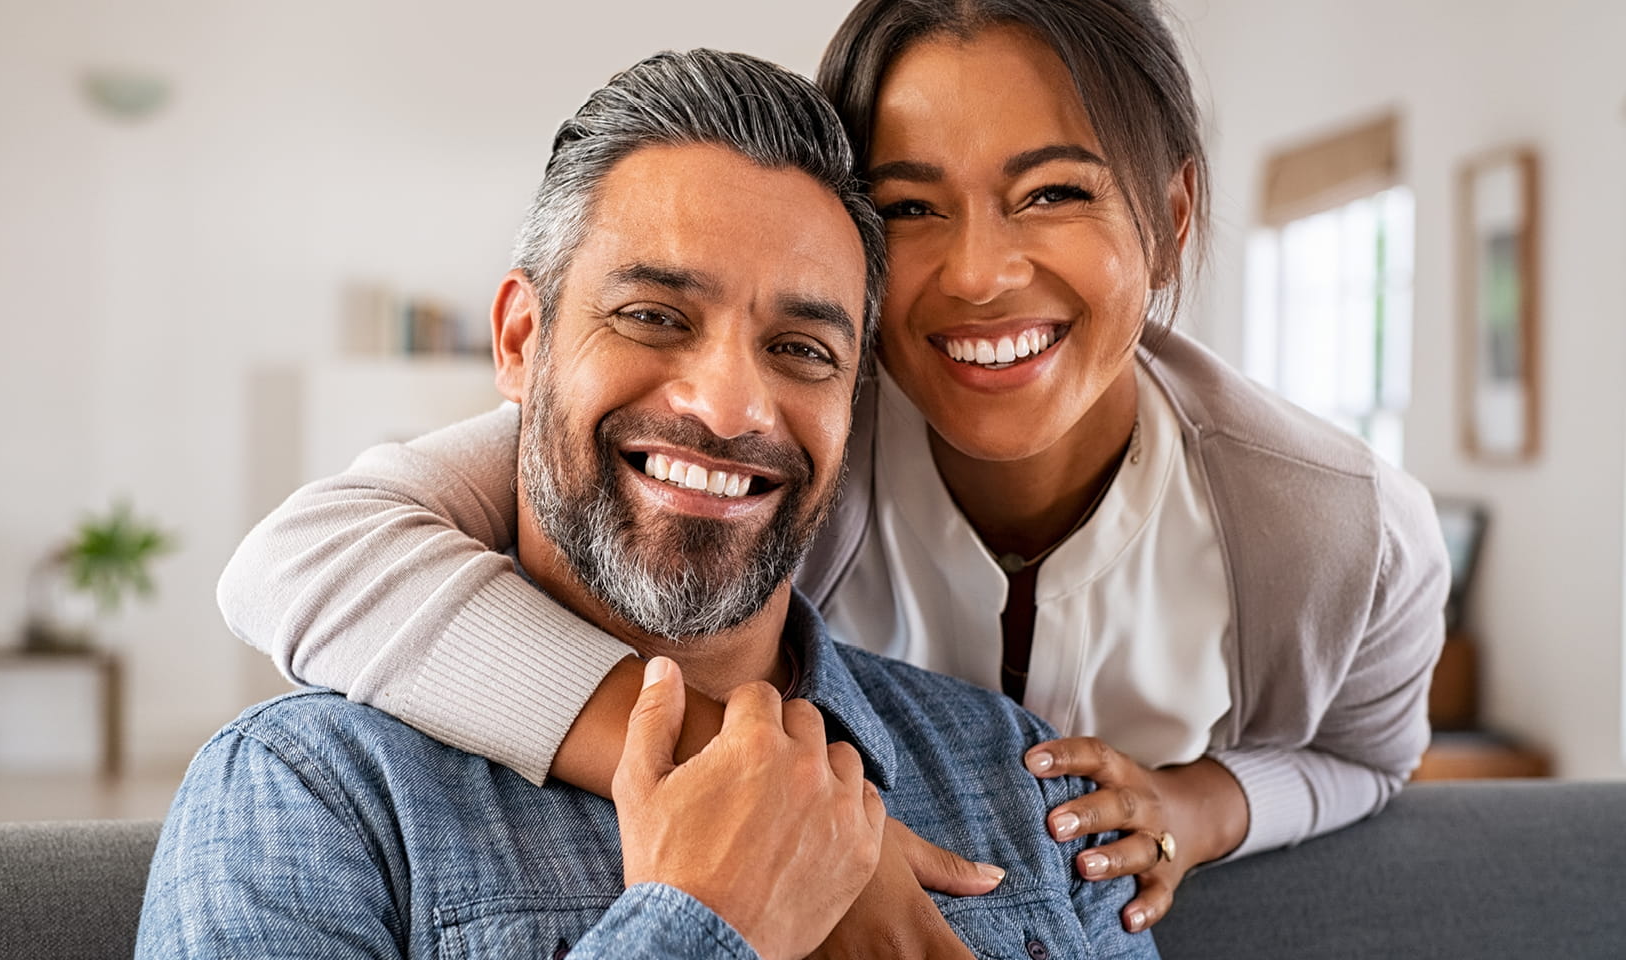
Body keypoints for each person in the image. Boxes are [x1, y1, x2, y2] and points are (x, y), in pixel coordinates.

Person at [218, 0, 1449, 935]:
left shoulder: (1330, 527)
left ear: (1172, 217)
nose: (977, 274)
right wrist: (762, 800)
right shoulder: (783, 425)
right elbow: (304, 558)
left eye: (1054, 192)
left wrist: (1202, 807)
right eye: (911, 209)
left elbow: (1367, 757)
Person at [139, 48, 1151, 960]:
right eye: (653, 317)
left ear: (853, 406)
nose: (729, 405)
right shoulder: (310, 796)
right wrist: (703, 922)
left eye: (802, 349)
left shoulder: (1027, 782)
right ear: (520, 344)